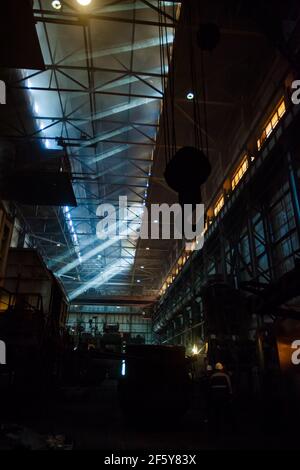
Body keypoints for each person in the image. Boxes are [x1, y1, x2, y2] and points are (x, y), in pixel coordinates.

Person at [208, 362, 233, 433]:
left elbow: (210, 388)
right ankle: (223, 426)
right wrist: (230, 396)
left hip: (215, 397)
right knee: (223, 411)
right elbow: (229, 387)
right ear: (221, 368)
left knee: (216, 411)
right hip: (224, 397)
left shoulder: (212, 376)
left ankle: (217, 427)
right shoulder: (225, 376)